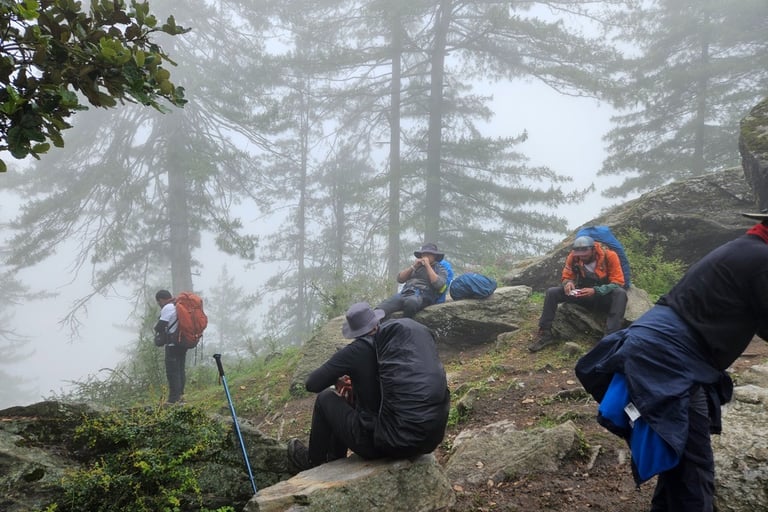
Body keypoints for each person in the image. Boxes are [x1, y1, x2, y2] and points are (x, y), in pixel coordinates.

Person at [575, 211, 768, 512]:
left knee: (680, 460)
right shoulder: (760, 259)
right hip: (666, 361)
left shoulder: (745, 249)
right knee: (693, 470)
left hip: (663, 355)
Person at [287, 302, 450, 470]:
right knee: (348, 399)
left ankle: (312, 461)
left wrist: (337, 379)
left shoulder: (356, 351)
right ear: (377, 322)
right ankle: (334, 459)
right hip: (423, 439)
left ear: (354, 333)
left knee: (326, 398)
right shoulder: (395, 347)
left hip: (379, 445)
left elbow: (312, 383)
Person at [529, 235, 627, 352]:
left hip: (601, 297)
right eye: (579, 255)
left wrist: (596, 290)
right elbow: (567, 275)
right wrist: (568, 283)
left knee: (620, 293)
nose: (582, 258)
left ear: (593, 249)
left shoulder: (609, 256)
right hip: (582, 294)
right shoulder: (574, 257)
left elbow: (618, 282)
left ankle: (609, 338)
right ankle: (545, 332)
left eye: (585, 255)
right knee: (552, 292)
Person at [376, 242, 448, 319]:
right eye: (424, 254)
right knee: (381, 308)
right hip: (405, 293)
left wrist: (427, 265)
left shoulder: (440, 268)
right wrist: (413, 267)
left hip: (422, 295)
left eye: (429, 254)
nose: (425, 256)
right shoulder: (416, 266)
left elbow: (438, 284)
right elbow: (400, 279)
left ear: (435, 256)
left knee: (411, 303)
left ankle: (405, 324)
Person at [153, 289, 187, 405]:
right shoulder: (177, 305)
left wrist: (157, 329)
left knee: (172, 372)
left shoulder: (168, 307)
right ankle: (181, 396)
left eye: (159, 302)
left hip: (173, 344)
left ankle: (173, 399)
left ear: (161, 299)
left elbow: (160, 326)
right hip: (183, 343)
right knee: (180, 370)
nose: (159, 305)